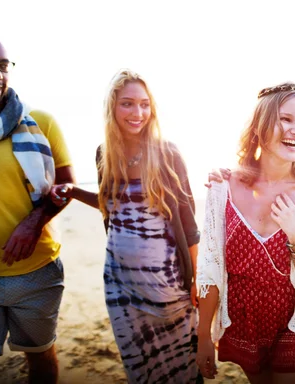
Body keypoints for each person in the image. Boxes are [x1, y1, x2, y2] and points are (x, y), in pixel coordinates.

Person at [50, 69, 202, 383]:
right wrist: (75, 192)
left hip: (168, 285)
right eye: (128, 104)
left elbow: (189, 224)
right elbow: (113, 205)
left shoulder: (168, 154)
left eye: (145, 104)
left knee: (183, 367)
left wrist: (195, 279)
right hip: (119, 283)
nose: (138, 113)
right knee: (140, 369)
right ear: (113, 108)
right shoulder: (105, 153)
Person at [196, 83, 295, 384]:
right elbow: (210, 269)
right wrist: (203, 335)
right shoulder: (223, 189)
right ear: (260, 126)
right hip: (243, 320)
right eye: (286, 118)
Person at [0, 30, 74, 383]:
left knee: (41, 358)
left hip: (38, 271)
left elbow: (65, 187)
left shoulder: (40, 122)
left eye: (2, 64)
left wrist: (34, 220)